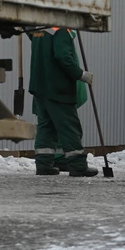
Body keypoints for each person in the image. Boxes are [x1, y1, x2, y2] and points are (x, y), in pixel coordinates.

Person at [28, 26, 98, 177]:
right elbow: (63, 57)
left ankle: (44, 165)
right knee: (69, 127)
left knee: (46, 127)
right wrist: (80, 74)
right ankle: (78, 166)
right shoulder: (61, 31)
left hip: (40, 88)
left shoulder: (38, 31)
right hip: (58, 88)